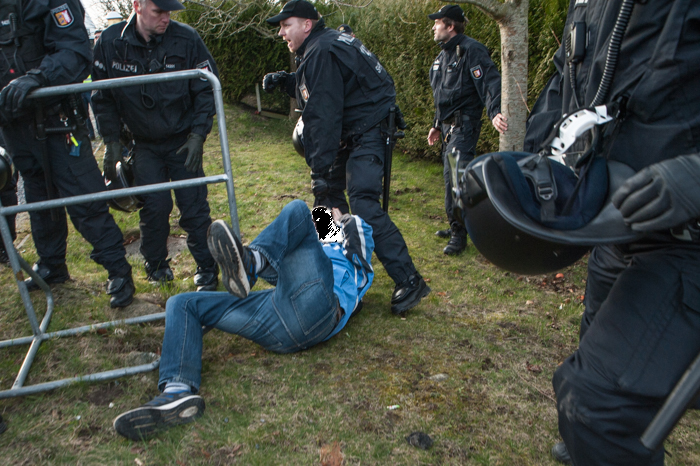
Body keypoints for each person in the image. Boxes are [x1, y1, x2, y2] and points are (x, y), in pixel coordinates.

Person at [513, 1, 700, 464]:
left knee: (597, 402)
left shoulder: (326, 51)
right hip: (619, 224)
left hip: (685, 238)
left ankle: (395, 275)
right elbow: (567, 81)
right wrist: (538, 160)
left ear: (307, 21)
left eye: (295, 27)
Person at [112, 200, 374, 440]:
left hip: (321, 308)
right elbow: (300, 242)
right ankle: (176, 392)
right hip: (281, 311)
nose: (324, 217)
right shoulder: (305, 244)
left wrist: (344, 220)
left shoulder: (348, 238)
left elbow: (360, 266)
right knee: (182, 304)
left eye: (326, 220)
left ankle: (250, 266)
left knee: (298, 210)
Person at [262, 0, 430, 316]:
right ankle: (345, 279)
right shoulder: (322, 46)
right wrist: (287, 81)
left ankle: (409, 280)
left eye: (286, 25)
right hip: (355, 129)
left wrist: (319, 170)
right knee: (326, 204)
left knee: (362, 202)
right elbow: (328, 87)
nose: (281, 32)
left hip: (367, 129)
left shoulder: (321, 51)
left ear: (307, 24)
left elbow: (323, 116)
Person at [0, 0, 134, 308]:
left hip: (57, 121)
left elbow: (75, 53)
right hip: (14, 124)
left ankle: (118, 271)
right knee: (39, 198)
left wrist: (38, 78)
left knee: (84, 196)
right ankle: (52, 265)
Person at [92, 0, 220, 291]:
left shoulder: (187, 39)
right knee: (154, 206)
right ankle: (156, 265)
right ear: (137, 5)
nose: (166, 18)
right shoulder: (111, 43)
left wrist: (198, 135)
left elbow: (206, 89)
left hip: (182, 141)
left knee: (194, 206)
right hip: (143, 144)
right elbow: (102, 98)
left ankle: (207, 268)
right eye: (158, 11)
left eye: (170, 11)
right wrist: (111, 142)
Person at [426, 4, 507, 255]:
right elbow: (443, 97)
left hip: (465, 127)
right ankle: (456, 225)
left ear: (450, 26)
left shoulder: (472, 50)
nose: (433, 27)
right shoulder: (442, 57)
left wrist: (495, 111)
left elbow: (491, 82)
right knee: (450, 178)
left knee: (457, 180)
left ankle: (460, 236)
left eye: (437, 22)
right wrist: (436, 125)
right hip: (448, 129)